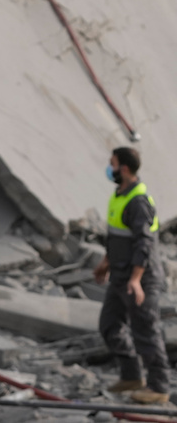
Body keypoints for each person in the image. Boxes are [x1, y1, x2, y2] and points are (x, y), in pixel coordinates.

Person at [94, 147, 170, 404]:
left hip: (140, 279)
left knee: (146, 332)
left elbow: (144, 244)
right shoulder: (119, 195)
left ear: (123, 168)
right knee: (109, 326)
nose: (109, 168)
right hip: (119, 274)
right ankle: (132, 376)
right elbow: (116, 236)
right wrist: (105, 263)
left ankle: (159, 387)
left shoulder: (138, 202)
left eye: (112, 164)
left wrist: (136, 280)